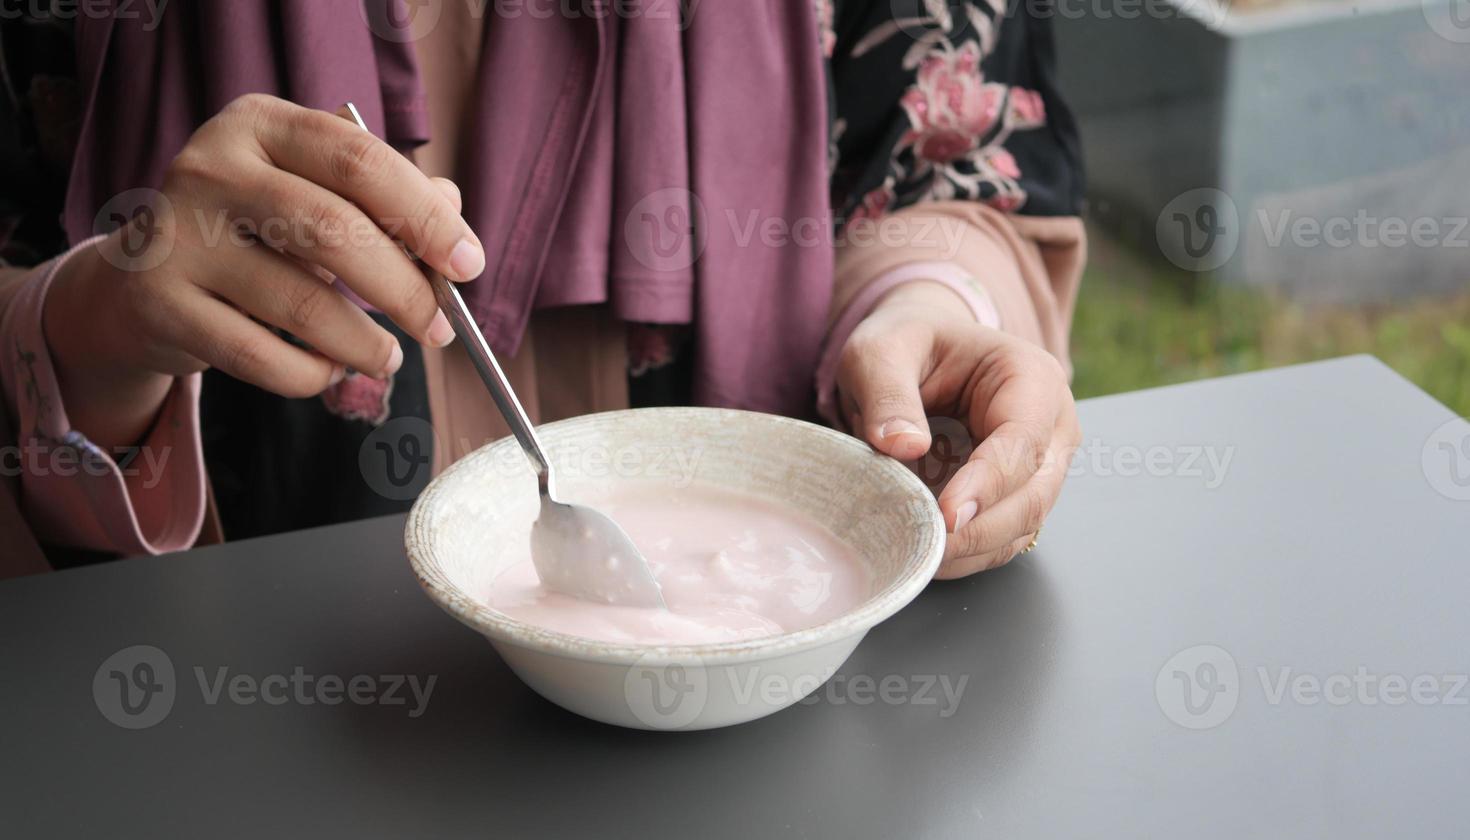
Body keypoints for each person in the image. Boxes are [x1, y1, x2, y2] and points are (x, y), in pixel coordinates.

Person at [0, 0, 1085, 581]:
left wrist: (929, 308)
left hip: (790, 751)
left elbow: (944, 148)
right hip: (252, 762)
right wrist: (89, 328)